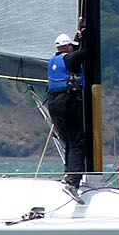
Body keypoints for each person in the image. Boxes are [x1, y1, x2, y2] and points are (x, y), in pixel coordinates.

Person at [46, 28, 89, 194]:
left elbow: (76, 52)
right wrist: (86, 36)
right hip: (66, 102)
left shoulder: (52, 60)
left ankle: (68, 175)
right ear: (68, 46)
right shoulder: (70, 58)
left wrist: (77, 37)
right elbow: (87, 52)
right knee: (77, 142)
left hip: (53, 103)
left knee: (69, 142)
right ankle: (73, 183)